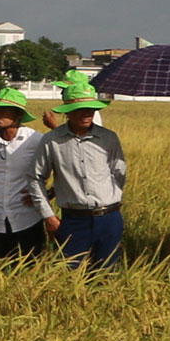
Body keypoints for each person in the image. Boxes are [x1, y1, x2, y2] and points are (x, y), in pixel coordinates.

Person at [33, 88, 127, 269]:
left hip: (109, 219)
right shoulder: (51, 140)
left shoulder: (109, 138)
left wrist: (109, 199)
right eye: (80, 109)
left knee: (107, 273)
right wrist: (49, 216)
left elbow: (119, 173)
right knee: (67, 273)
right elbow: (36, 178)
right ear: (67, 112)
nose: (87, 114)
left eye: (90, 109)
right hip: (73, 220)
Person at [0, 88, 50, 260]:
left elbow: (58, 170)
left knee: (29, 269)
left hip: (28, 220)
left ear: (19, 115)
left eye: (5, 110)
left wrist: (47, 194)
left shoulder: (36, 140)